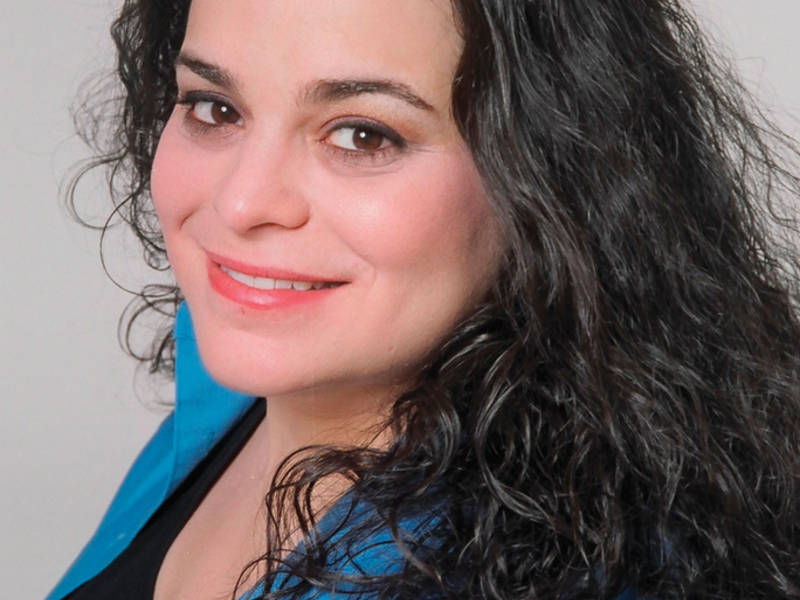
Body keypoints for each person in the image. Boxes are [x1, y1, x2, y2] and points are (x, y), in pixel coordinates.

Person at [48, 0, 800, 598]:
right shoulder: (233, 398)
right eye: (216, 108)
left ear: (550, 172)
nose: (241, 203)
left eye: (362, 135)